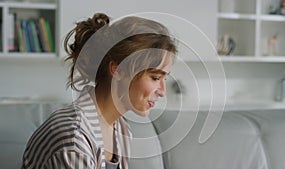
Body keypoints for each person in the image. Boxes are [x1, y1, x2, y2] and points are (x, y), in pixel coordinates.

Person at [22, 13, 177, 169]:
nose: (163, 91)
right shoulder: (73, 141)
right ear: (118, 70)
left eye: (165, 79)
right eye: (155, 78)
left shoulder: (121, 129)